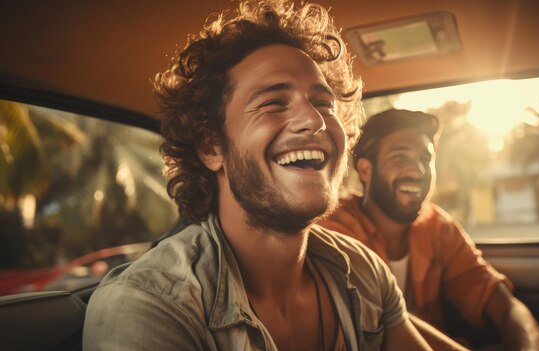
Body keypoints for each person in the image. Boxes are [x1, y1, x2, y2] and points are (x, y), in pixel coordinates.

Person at [83, 2, 433, 350]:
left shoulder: (363, 271)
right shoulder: (148, 306)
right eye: (273, 103)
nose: (315, 120)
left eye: (323, 103)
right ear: (211, 147)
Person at [319, 109, 539, 351]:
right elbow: (386, 320)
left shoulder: (437, 226)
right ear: (366, 171)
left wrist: (530, 346)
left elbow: (499, 301)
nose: (419, 171)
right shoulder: (336, 230)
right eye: (400, 157)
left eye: (426, 159)